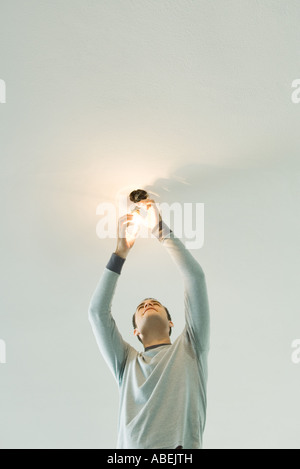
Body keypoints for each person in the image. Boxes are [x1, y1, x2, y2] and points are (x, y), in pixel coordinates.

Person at [88, 198, 210, 449]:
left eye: (155, 303)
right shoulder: (127, 363)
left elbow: (195, 278)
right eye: (141, 307)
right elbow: (97, 313)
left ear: (171, 322)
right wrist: (120, 252)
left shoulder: (191, 347)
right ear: (136, 332)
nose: (147, 304)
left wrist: (160, 230)